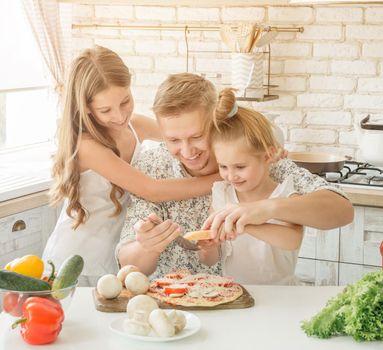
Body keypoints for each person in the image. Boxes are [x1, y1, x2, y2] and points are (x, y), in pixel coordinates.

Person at [116, 73, 353, 279]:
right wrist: (147, 246)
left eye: (197, 136)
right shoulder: (153, 167)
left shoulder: (254, 160)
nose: (187, 152)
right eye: (174, 140)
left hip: (254, 303)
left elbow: (341, 210)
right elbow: (129, 263)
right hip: (178, 307)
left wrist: (265, 209)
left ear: (218, 124)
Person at [42, 47, 219, 286]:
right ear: (86, 108)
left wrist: (259, 150)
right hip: (77, 258)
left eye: (125, 101)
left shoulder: (134, 125)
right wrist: (222, 178)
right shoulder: (86, 145)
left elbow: (182, 134)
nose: (119, 115)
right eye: (106, 110)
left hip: (118, 251)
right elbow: (151, 190)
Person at [195, 88, 304, 285]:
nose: (231, 175)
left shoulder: (285, 194)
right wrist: (207, 248)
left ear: (268, 156)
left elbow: (293, 240)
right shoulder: (222, 194)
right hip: (236, 294)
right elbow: (210, 261)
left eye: (240, 166)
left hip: (282, 296)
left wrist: (246, 224)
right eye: (223, 166)